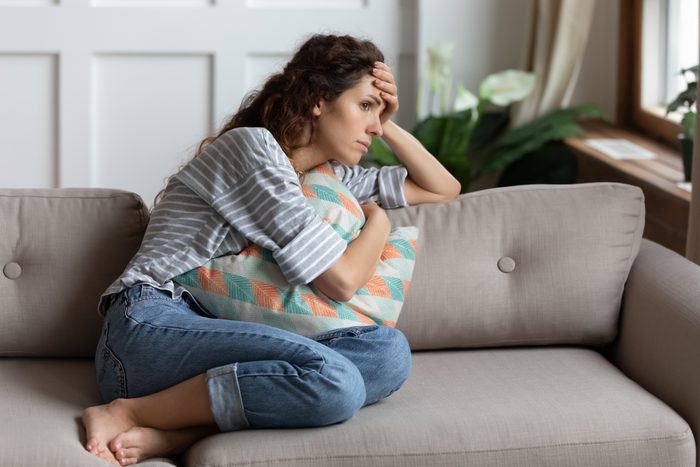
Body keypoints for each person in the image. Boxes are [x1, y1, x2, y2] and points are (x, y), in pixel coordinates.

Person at [82, 33, 461, 466]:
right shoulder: (254, 150)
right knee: (336, 382)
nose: (373, 127)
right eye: (364, 107)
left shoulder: (326, 177)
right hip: (149, 328)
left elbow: (444, 189)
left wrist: (388, 121)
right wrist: (380, 220)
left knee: (387, 354)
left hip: (215, 331)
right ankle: (127, 411)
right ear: (319, 99)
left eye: (378, 113)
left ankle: (183, 431)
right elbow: (341, 281)